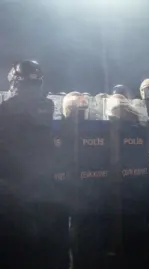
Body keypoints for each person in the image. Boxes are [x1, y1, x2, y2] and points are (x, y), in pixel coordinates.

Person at [0, 61, 62, 268]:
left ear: (17, 80)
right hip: (44, 185)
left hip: (14, 188)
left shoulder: (7, 108)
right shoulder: (47, 105)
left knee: (17, 247)